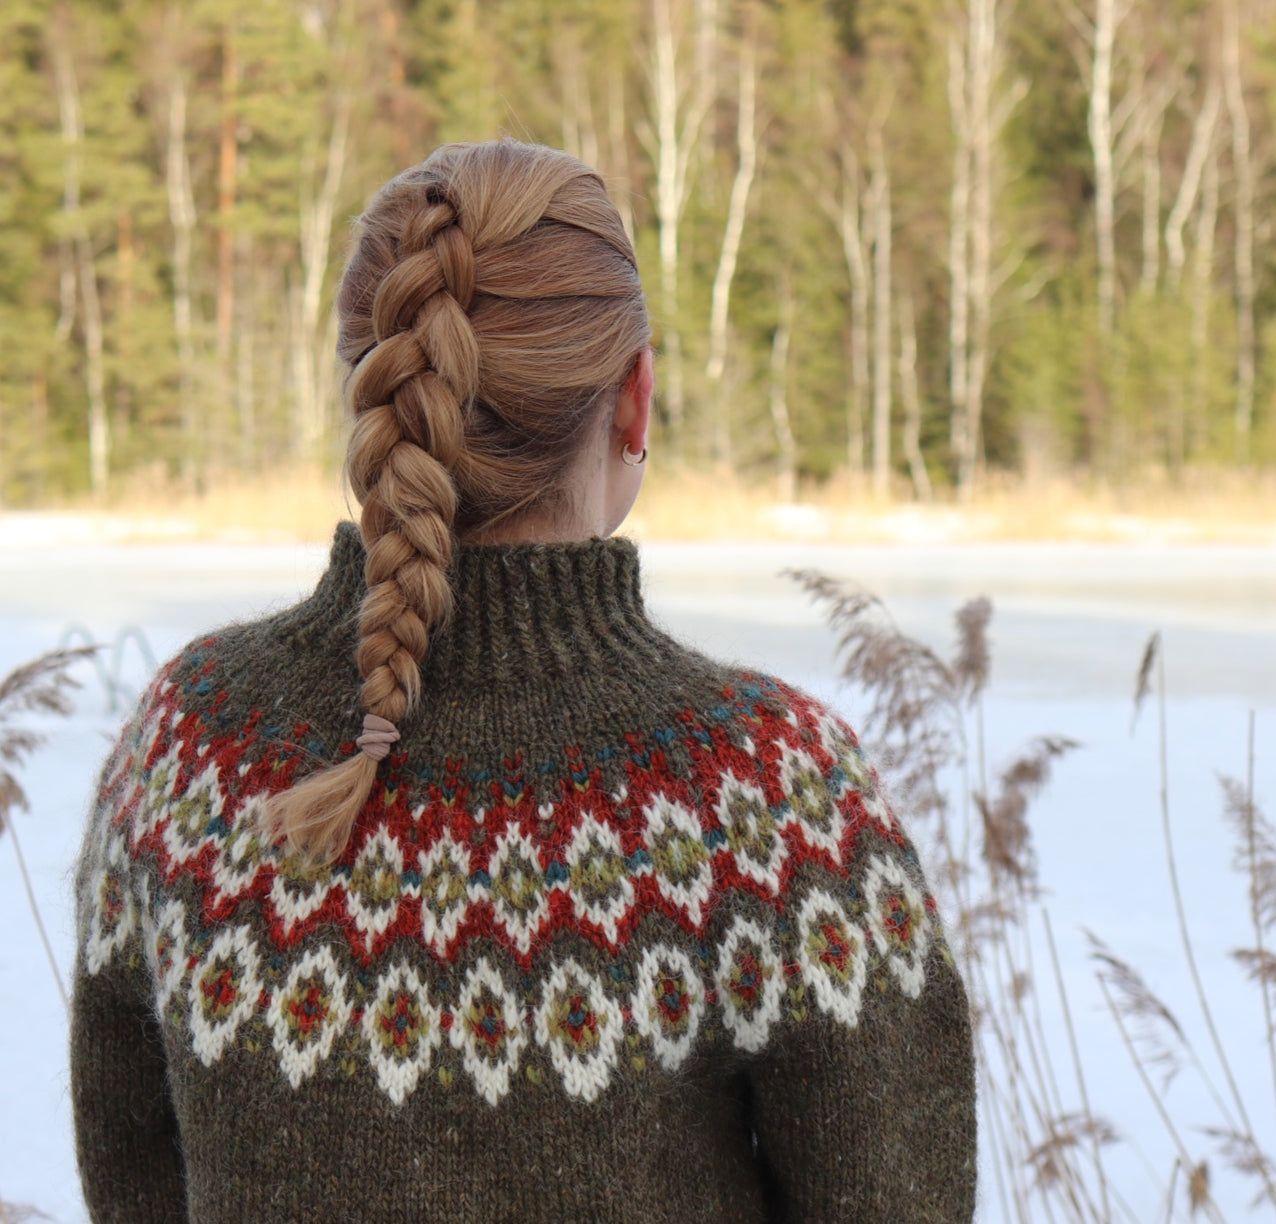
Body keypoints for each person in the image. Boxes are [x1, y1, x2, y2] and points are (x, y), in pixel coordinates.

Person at [70, 139, 977, 1223]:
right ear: (634, 400)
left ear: (374, 396)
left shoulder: (194, 747)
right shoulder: (768, 799)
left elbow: (132, 1178)